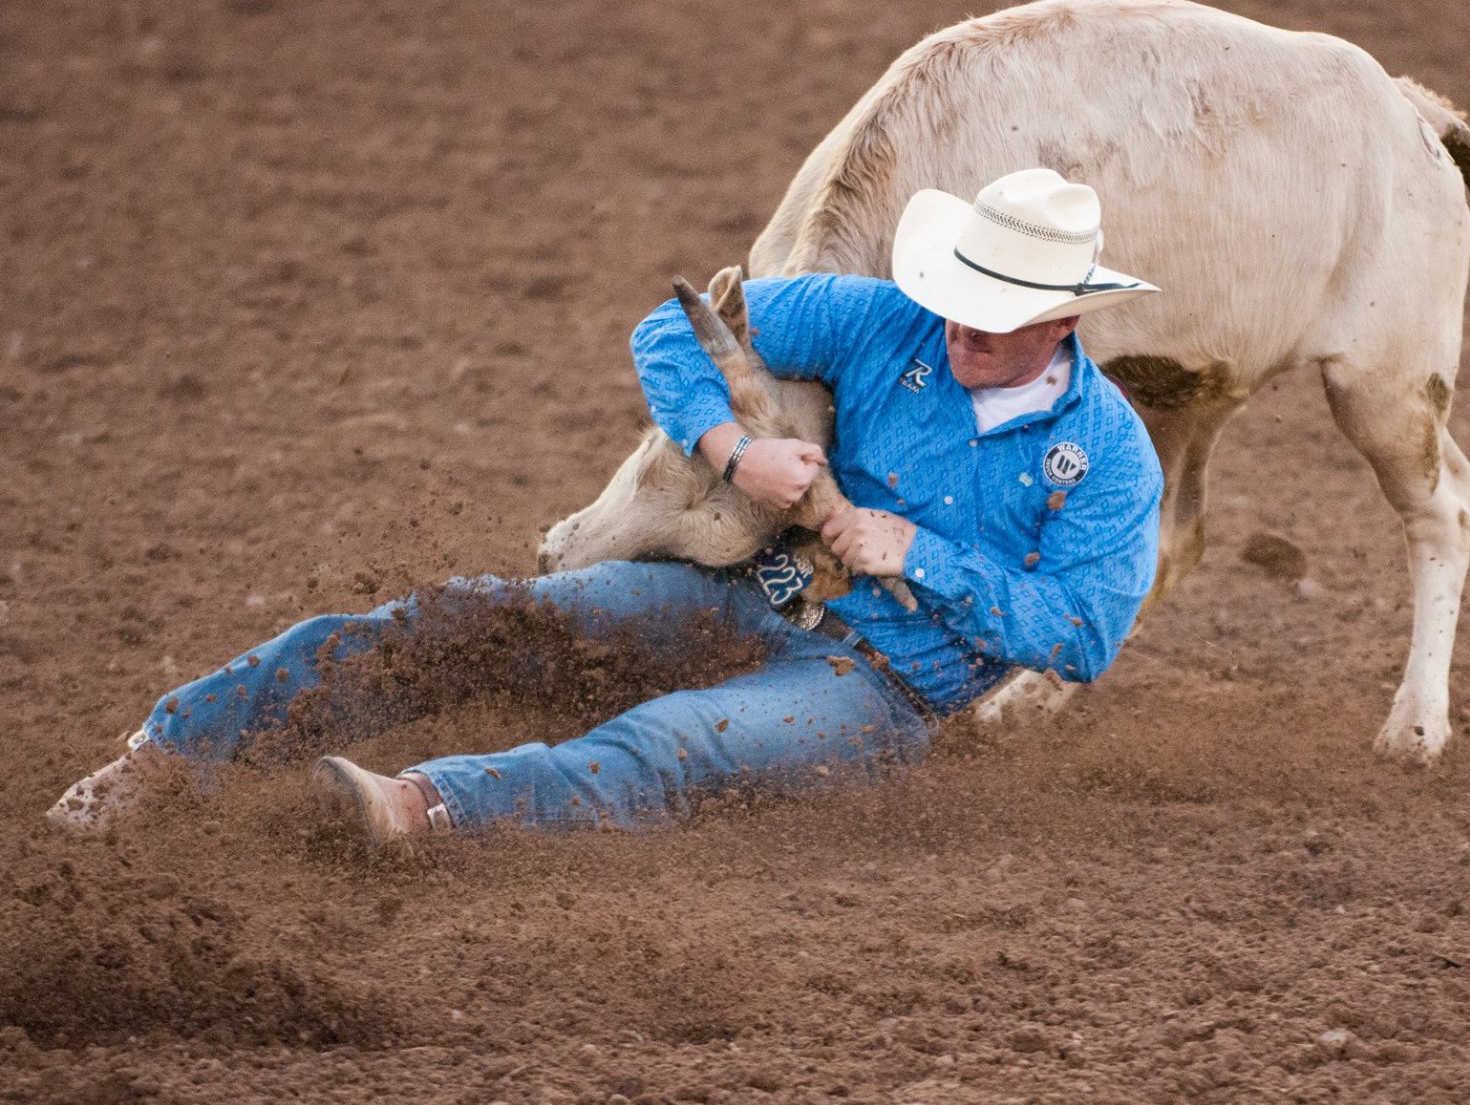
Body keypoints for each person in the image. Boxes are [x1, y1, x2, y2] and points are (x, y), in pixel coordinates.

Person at [50, 169, 1165, 842]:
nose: (958, 328)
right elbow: (675, 325)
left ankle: (428, 809)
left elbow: (1080, 634)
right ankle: (170, 748)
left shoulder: (1107, 457)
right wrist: (731, 451)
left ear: (1062, 323)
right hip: (742, 590)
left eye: (991, 318)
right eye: (956, 302)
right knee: (476, 614)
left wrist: (919, 551)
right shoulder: (885, 321)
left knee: (669, 744)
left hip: (875, 687)